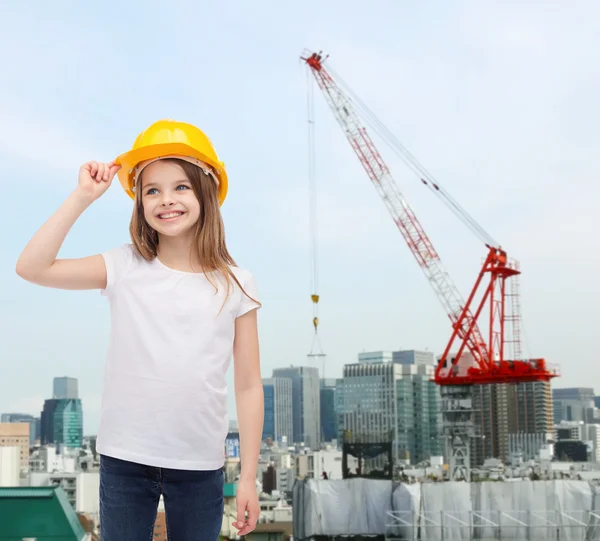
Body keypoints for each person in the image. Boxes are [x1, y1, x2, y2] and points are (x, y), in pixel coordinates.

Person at [16, 119, 264, 540]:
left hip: (201, 464)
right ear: (139, 201)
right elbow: (32, 267)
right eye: (152, 190)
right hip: (125, 459)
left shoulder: (237, 282)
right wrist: (82, 198)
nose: (166, 200)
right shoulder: (124, 265)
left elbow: (248, 385)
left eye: (180, 187)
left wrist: (247, 478)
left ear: (207, 191)